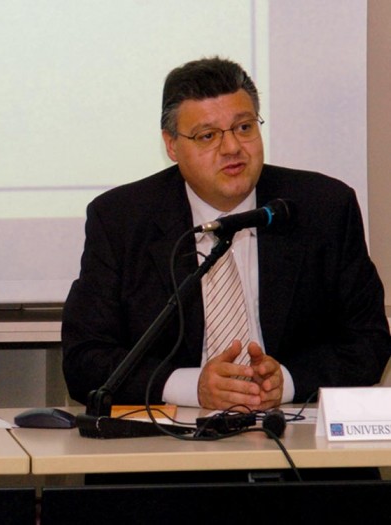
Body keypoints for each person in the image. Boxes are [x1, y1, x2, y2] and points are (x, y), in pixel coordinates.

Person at [62, 57, 391, 411]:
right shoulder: (121, 219)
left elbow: (369, 342)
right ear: (171, 145)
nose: (233, 147)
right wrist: (192, 387)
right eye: (208, 136)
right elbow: (85, 359)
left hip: (292, 428)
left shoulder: (324, 207)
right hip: (173, 437)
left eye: (244, 127)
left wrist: (287, 381)